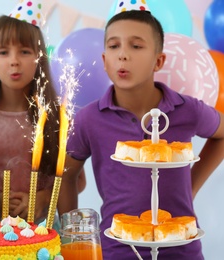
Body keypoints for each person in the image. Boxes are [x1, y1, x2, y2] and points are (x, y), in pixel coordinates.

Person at [59, 9, 224, 260]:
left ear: (158, 61)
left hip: (181, 249)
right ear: (104, 60)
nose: (123, 55)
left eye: (136, 46)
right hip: (117, 250)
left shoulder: (186, 109)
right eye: (114, 46)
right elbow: (66, 174)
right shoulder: (89, 118)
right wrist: (71, 240)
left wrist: (192, 185)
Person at [0, 2, 85, 225]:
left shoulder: (57, 116)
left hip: (45, 233)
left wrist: (44, 197)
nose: (14, 61)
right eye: (3, 52)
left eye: (25, 51)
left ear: (39, 58)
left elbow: (77, 181)